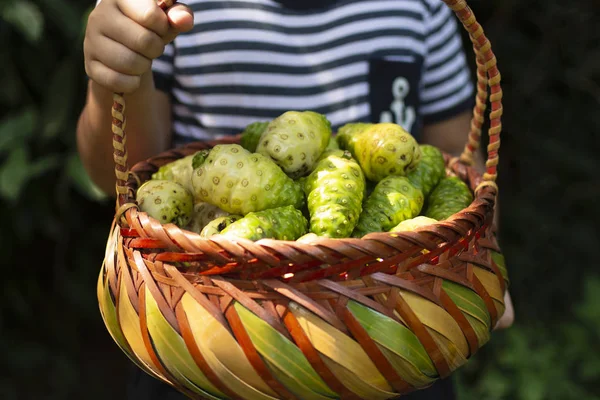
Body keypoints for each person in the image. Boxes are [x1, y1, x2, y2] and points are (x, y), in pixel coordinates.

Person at [78, 0, 514, 399]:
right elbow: (124, 175)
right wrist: (113, 77)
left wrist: (473, 258)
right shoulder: (175, 8)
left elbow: (460, 167)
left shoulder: (418, 9)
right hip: (207, 332)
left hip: (390, 334)